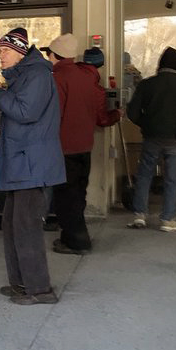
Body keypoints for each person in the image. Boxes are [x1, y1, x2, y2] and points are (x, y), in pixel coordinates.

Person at [0, 28, 65, 305]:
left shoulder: (37, 76)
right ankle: (21, 283)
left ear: (21, 51)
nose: (2, 57)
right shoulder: (24, 77)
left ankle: (40, 290)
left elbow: (25, 113)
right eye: (0, 52)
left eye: (5, 51)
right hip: (21, 164)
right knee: (12, 225)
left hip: (32, 168)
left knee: (26, 228)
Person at [45, 34, 120, 254]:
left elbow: (53, 115)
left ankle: (77, 242)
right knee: (78, 195)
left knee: (65, 198)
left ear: (54, 55)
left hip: (62, 147)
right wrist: (116, 115)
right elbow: (101, 116)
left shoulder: (57, 78)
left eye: (48, 53)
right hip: (85, 146)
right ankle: (71, 238)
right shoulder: (88, 78)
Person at [126, 47, 176, 231]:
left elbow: (132, 112)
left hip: (151, 136)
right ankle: (168, 219)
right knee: (172, 178)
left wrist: (145, 124)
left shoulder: (147, 84)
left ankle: (139, 215)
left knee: (144, 175)